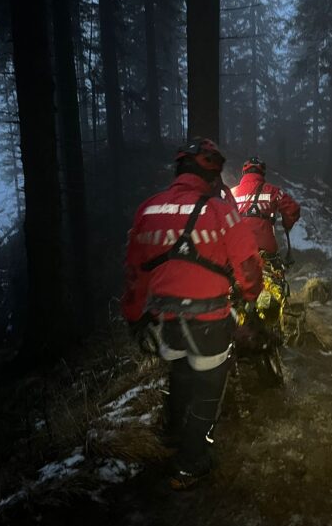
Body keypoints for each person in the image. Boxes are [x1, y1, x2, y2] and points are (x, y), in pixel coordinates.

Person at [122, 138, 263, 490]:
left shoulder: (148, 209)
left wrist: (134, 314)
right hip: (210, 321)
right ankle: (191, 463)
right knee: (208, 388)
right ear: (210, 172)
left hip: (166, 320)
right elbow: (247, 265)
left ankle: (169, 433)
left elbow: (134, 273)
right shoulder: (220, 210)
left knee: (179, 372)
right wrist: (251, 297)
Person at [231, 156, 301, 255]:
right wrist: (287, 224)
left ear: (244, 172)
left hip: (238, 247)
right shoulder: (273, 190)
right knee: (273, 268)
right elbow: (293, 209)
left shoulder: (231, 193)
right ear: (262, 173)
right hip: (265, 247)